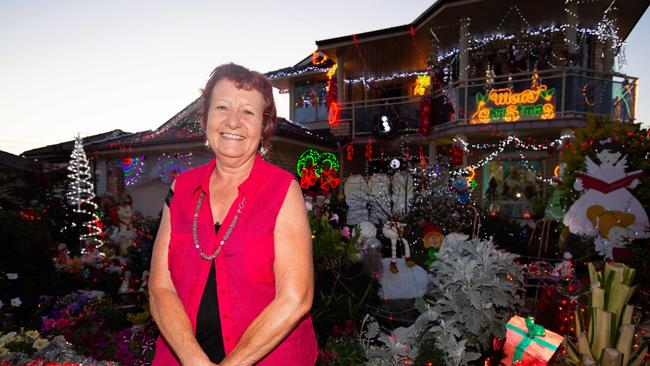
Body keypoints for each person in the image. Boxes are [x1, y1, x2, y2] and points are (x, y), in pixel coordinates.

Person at [149, 63, 318, 365]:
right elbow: (161, 288)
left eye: (248, 112)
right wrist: (192, 359)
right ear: (205, 117)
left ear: (264, 125)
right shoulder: (181, 188)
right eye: (222, 107)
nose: (233, 122)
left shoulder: (282, 189)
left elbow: (296, 298)